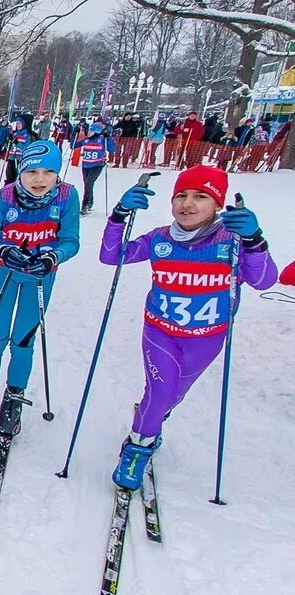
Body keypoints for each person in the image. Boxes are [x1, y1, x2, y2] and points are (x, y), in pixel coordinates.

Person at [99, 165, 277, 490]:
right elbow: (113, 256)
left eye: (200, 196)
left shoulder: (232, 242)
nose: (187, 204)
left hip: (207, 339)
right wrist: (118, 216)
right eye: (180, 195)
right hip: (161, 333)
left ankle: (150, 419)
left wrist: (254, 240)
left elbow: (264, 280)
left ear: (218, 204)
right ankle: (137, 449)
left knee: (168, 398)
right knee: (160, 392)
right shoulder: (160, 239)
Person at [0, 140, 80, 439]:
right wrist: (3, 251)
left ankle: (13, 399)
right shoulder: (5, 197)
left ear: (58, 173)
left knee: (23, 340)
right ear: (21, 171)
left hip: (40, 279)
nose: (40, 179)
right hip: (4, 276)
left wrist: (54, 256)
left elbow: (71, 240)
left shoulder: (67, 196)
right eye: (32, 172)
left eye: (48, 172)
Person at [78, 121, 118, 215]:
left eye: (92, 130)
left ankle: (85, 204)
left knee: (89, 183)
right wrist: (75, 133)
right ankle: (90, 202)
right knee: (87, 185)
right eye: (89, 130)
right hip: (86, 165)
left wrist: (109, 138)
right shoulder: (86, 139)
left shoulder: (102, 139)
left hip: (97, 165)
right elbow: (73, 145)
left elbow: (112, 150)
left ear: (97, 131)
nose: (89, 132)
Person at [4, 119, 31, 184]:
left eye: (20, 123)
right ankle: (8, 189)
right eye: (17, 123)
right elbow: (8, 146)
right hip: (12, 157)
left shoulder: (27, 135)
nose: (18, 125)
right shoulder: (14, 133)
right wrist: (7, 141)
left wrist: (17, 143)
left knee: (17, 175)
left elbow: (26, 147)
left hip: (20, 158)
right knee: (9, 174)